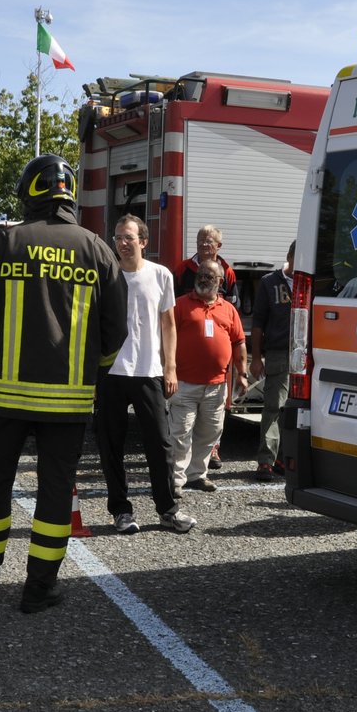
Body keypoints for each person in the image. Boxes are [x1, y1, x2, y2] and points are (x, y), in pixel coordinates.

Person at [0, 155, 126, 613]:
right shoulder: (97, 249)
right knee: (56, 491)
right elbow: (117, 329)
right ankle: (38, 589)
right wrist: (93, 372)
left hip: (3, 396)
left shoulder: (5, 243)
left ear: (29, 193)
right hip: (69, 400)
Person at [95, 215, 196, 536]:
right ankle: (121, 512)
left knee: (161, 445)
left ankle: (168, 510)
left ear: (143, 241)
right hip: (111, 372)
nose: (123, 244)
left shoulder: (161, 275)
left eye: (128, 237)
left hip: (149, 371)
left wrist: (171, 367)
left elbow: (168, 324)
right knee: (111, 446)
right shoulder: (105, 276)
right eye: (117, 238)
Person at [169, 260, 247, 493]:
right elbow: (166, 339)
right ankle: (175, 479)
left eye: (209, 276)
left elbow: (239, 342)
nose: (203, 279)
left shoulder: (229, 309)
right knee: (180, 433)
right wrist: (167, 370)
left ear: (220, 282)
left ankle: (197, 475)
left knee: (210, 432)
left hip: (216, 385)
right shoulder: (180, 305)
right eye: (201, 275)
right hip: (183, 383)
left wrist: (242, 374)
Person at [174, 225, 239, 469]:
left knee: (212, 423)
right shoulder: (183, 269)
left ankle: (211, 454)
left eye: (209, 241)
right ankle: (179, 470)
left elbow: (233, 306)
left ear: (218, 246)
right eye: (201, 240)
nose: (204, 245)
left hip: (216, 375)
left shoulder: (228, 272)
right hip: (186, 369)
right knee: (182, 424)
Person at [249, 241, 295, 481]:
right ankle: (265, 461)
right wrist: (256, 358)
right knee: (274, 407)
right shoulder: (270, 283)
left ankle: (284, 459)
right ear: (290, 257)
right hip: (278, 352)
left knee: (297, 411)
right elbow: (258, 323)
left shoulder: (314, 284)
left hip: (307, 355)